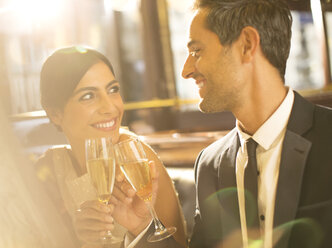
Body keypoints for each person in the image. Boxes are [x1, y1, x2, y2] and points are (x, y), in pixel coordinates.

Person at [113, 0, 332, 247]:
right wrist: (142, 226)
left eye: (197, 51)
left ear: (247, 45)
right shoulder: (210, 164)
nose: (186, 70)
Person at [36, 46, 187, 247]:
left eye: (113, 90)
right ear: (55, 114)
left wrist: (141, 227)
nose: (110, 108)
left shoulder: (135, 158)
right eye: (88, 96)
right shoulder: (50, 170)